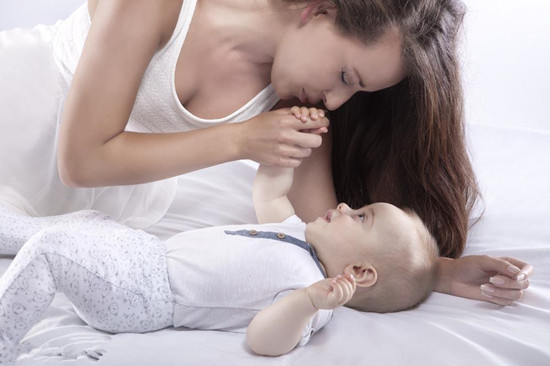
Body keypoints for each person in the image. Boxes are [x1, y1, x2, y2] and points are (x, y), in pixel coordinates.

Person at [0, 0, 532, 310]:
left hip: (93, 195)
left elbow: (316, 229)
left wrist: (434, 272)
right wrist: (239, 141)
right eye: (346, 77)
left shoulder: (297, 92)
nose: (337, 101)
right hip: (16, 112)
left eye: (356, 94)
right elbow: (83, 159)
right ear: (319, 9)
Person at [0, 152, 439, 361]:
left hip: (146, 296)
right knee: (86, 221)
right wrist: (282, 156)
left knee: (52, 250)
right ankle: (7, 228)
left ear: (359, 273)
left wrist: (309, 301)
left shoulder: (311, 294)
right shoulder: (295, 232)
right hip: (144, 254)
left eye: (360, 217)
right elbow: (269, 193)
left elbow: (264, 340)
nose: (344, 207)